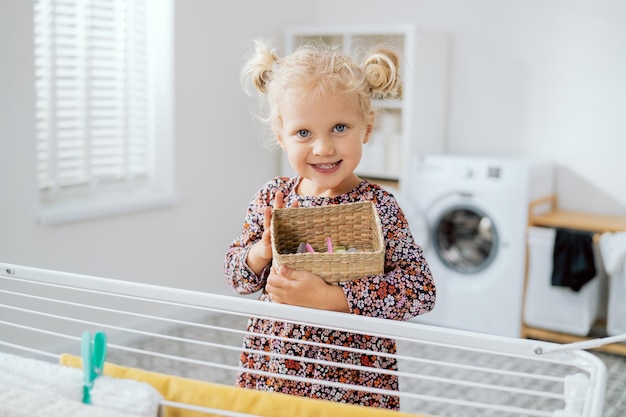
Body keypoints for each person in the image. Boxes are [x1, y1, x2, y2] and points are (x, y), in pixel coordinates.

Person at [224, 39, 436, 410]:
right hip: (276, 367)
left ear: (366, 128)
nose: (323, 148)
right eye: (304, 133)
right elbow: (236, 278)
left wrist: (332, 299)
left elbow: (421, 289)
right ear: (280, 136)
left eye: (339, 127)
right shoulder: (272, 197)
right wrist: (260, 252)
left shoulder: (379, 207)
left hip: (353, 372)